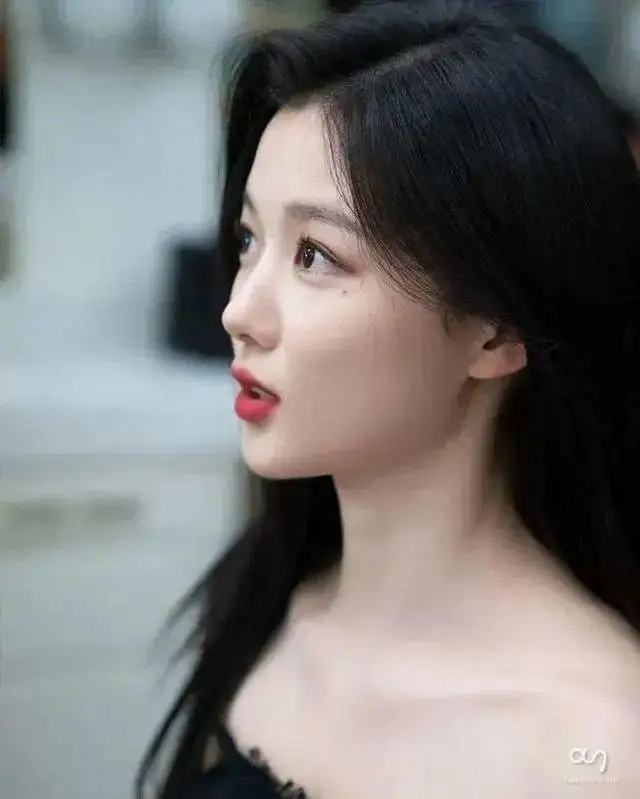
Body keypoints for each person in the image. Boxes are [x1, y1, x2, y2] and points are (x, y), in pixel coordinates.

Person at [138, 2, 640, 797]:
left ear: (495, 330)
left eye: (315, 255)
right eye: (248, 240)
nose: (237, 311)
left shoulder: (594, 748)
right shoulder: (259, 603)